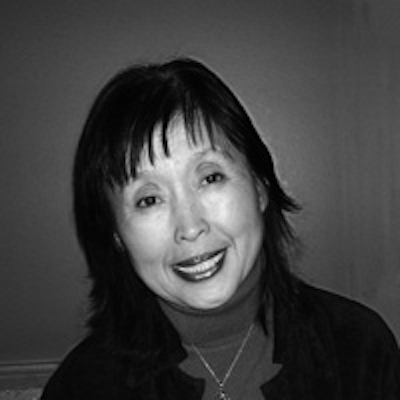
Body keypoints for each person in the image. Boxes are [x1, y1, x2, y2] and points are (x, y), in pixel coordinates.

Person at [41, 58, 400, 400]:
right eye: (149, 199)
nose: (190, 227)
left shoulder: (361, 350)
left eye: (210, 178)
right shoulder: (81, 387)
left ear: (260, 187)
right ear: (117, 235)